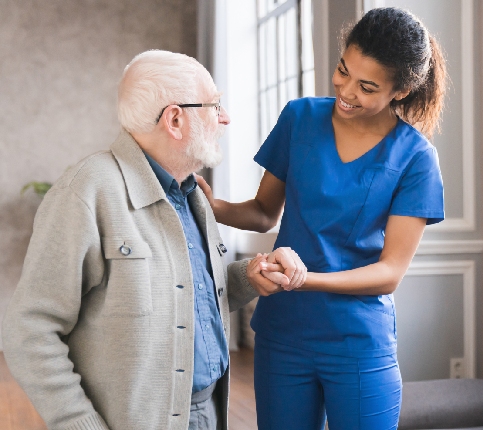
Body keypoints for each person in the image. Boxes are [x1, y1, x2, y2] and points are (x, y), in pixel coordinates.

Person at [2, 50, 302, 430]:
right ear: (175, 119)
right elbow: (29, 330)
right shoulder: (86, 192)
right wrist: (81, 424)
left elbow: (185, 293)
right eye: (215, 105)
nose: (225, 117)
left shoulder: (193, 194)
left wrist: (249, 276)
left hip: (209, 410)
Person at [199, 7, 447, 430]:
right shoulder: (299, 117)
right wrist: (210, 205)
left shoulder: (416, 158)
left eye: (367, 86)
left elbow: (389, 272)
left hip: (358, 340)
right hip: (283, 334)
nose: (346, 91)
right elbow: (263, 213)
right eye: (342, 70)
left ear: (400, 92)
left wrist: (301, 279)